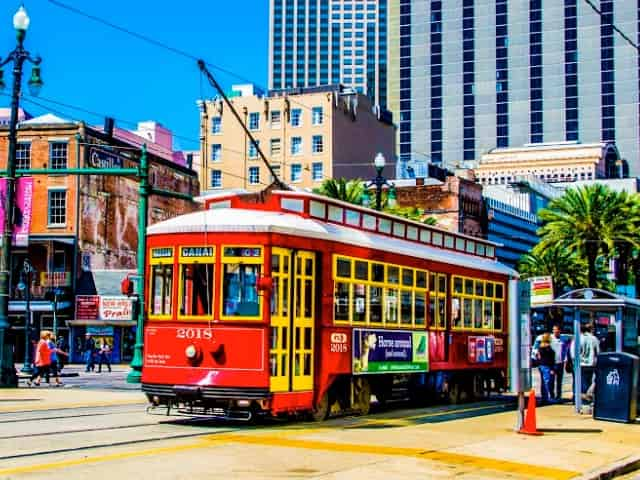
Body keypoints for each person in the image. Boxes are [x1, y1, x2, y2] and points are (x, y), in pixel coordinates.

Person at [570, 324, 600, 400]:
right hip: (591, 364)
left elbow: (573, 354)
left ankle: (580, 400)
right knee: (588, 382)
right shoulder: (594, 339)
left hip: (580, 364)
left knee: (579, 383)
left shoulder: (577, 339)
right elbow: (598, 352)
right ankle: (587, 398)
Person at [536, 333, 556, 404]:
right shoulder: (548, 348)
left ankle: (544, 397)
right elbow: (551, 359)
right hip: (547, 366)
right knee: (547, 382)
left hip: (541, 366)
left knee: (543, 383)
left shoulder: (540, 347)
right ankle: (547, 398)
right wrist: (552, 369)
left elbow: (538, 357)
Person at [550, 325, 568, 401]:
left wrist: (566, 360)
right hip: (552, 363)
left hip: (560, 362)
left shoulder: (563, 339)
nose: (555, 331)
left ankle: (559, 396)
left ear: (560, 330)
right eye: (553, 329)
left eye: (556, 330)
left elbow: (566, 350)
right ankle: (551, 395)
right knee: (551, 380)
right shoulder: (550, 338)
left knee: (559, 381)